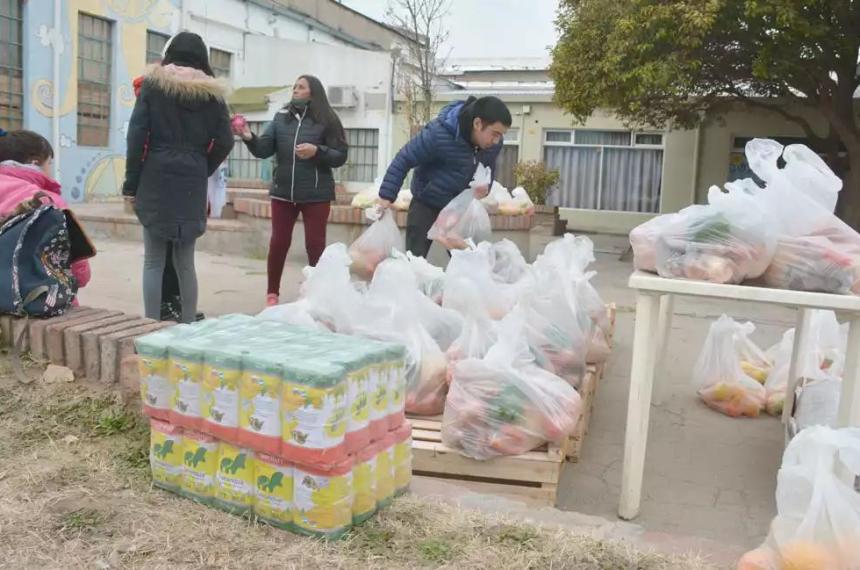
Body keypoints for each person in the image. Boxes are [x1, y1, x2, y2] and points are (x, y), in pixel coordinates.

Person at [122, 32, 233, 323]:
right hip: (191, 181)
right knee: (185, 260)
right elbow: (225, 140)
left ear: (170, 54)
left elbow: (136, 136)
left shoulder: (154, 86)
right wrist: (201, 167)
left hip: (155, 176)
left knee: (153, 260)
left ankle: (149, 326)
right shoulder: (213, 95)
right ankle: (187, 327)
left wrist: (131, 184)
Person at [234, 75, 349, 307]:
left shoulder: (327, 119)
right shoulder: (281, 117)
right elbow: (264, 149)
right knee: (278, 242)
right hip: (283, 192)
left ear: (313, 92)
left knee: (315, 245)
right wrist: (248, 137)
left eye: (301, 87)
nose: (295, 90)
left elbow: (340, 155)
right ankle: (272, 294)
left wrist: (317, 151)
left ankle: (318, 295)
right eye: (295, 87)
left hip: (316, 194)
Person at [377, 96, 512, 258]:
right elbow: (404, 158)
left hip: (458, 207)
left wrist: (486, 187)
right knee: (415, 259)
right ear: (477, 124)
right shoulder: (438, 134)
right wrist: (386, 195)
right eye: (495, 134)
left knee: (469, 258)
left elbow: (488, 168)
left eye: (501, 135)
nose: (497, 141)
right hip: (427, 202)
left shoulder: (492, 144)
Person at [0, 129, 92, 298]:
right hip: (31, 300)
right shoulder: (48, 202)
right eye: (49, 163)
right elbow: (80, 274)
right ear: (35, 162)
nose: (50, 169)